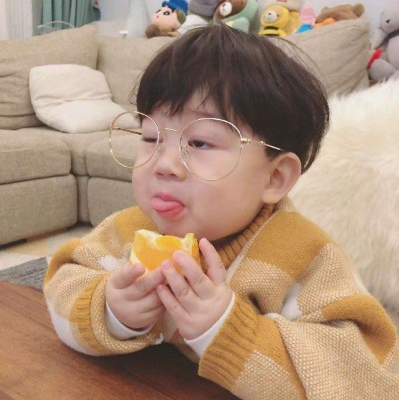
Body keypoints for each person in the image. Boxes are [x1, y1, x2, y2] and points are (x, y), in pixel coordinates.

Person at [44, 24, 399, 399]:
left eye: (199, 142)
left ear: (275, 177)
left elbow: (368, 374)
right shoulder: (128, 230)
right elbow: (62, 285)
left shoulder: (304, 255)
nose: (163, 164)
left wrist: (228, 331)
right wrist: (112, 312)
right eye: (150, 137)